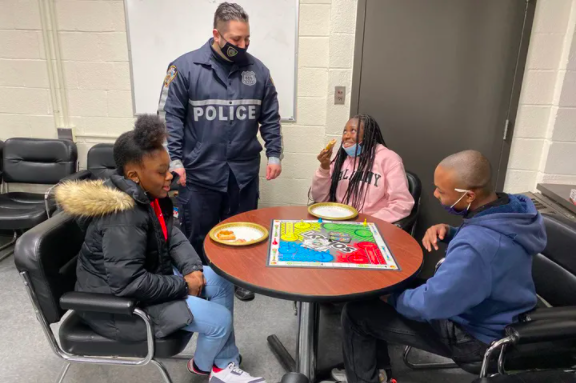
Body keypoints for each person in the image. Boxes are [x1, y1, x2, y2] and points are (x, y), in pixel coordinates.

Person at [54, 115, 264, 383]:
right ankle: (205, 366)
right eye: (161, 171)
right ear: (133, 175)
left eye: (168, 168)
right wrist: (183, 286)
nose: (169, 176)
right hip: (120, 309)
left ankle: (222, 365)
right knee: (219, 320)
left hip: (144, 281)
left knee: (219, 281)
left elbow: (171, 234)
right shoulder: (123, 219)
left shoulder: (146, 195)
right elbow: (128, 283)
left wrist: (192, 269)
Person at [334, 150, 547, 383]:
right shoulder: (511, 211)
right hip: (503, 312)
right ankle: (382, 374)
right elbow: (489, 249)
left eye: (441, 191)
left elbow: (432, 303)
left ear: (468, 196)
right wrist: (451, 232)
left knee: (357, 313)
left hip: (477, 338)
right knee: (392, 286)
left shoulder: (478, 246)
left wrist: (393, 299)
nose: (435, 194)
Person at [158, 2, 283, 301]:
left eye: (246, 39)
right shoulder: (184, 68)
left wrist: (275, 154)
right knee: (198, 232)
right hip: (199, 171)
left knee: (243, 230)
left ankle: (239, 278)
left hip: (242, 171)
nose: (242, 46)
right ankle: (200, 280)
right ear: (216, 34)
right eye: (235, 40)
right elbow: (169, 118)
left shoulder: (259, 71)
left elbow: (270, 117)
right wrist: (175, 160)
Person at [310, 114, 414, 223]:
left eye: (353, 131)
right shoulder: (340, 158)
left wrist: (366, 222)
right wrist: (324, 167)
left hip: (371, 225)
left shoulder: (389, 159)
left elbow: (402, 204)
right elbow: (320, 199)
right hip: (338, 223)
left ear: (368, 135)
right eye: (345, 131)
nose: (346, 136)